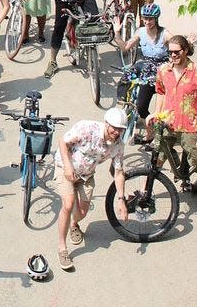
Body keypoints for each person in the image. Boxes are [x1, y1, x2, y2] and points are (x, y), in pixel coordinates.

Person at [146, 35, 197, 224]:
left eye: (177, 52)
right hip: (167, 124)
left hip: (189, 125)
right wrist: (156, 114)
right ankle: (147, 194)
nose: (173, 56)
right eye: (170, 52)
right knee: (157, 159)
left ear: (185, 50)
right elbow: (161, 93)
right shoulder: (163, 70)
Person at [54, 107, 128, 271]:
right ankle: (62, 248)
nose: (117, 132)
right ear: (106, 123)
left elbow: (118, 173)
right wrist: (67, 166)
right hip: (65, 167)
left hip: (86, 174)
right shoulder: (87, 129)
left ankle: (74, 224)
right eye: (114, 127)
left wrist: (122, 200)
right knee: (68, 204)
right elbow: (63, 142)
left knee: (82, 212)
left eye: (121, 129)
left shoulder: (118, 145)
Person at [113, 2, 181, 137]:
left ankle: (153, 127)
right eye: (145, 18)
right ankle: (123, 101)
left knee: (143, 102)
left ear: (156, 19)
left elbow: (179, 46)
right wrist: (117, 32)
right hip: (146, 64)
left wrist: (188, 44)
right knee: (128, 74)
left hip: (161, 67)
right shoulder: (141, 32)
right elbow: (125, 47)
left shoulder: (165, 34)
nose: (147, 21)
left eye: (150, 19)